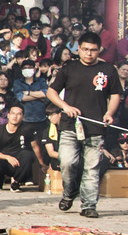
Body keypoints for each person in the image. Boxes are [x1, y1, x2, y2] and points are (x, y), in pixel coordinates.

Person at [46, 31, 124, 218]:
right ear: (79, 49)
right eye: (85, 49)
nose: (89, 53)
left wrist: (109, 113)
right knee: (67, 162)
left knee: (91, 168)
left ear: (99, 51)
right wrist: (65, 106)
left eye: (93, 50)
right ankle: (69, 192)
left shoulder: (108, 70)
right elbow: (51, 92)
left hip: (96, 127)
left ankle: (89, 205)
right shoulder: (69, 68)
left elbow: (115, 95)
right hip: (70, 125)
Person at [0, 104, 37, 191]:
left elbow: (35, 147)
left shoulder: (27, 129)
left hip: (18, 161)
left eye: (18, 114)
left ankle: (17, 183)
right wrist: (8, 157)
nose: (15, 116)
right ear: (8, 115)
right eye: (13, 113)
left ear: (23, 116)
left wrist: (42, 164)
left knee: (28, 155)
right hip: (3, 160)